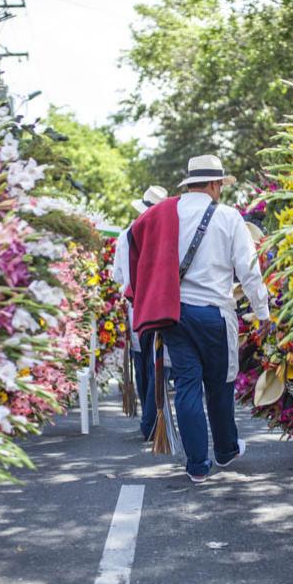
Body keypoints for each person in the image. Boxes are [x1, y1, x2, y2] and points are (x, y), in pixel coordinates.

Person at [129, 154, 270, 483]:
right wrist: (262, 312)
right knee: (220, 386)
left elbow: (135, 239)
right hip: (214, 314)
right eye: (220, 184)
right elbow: (248, 269)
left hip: (174, 312)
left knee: (188, 386)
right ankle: (224, 450)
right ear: (213, 184)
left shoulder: (164, 213)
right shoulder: (228, 217)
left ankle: (196, 465)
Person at [113, 185, 167, 440]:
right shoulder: (165, 234)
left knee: (141, 361)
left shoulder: (125, 235)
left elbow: (118, 276)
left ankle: (149, 422)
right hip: (158, 305)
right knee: (156, 364)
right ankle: (151, 420)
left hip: (135, 307)